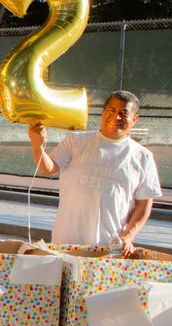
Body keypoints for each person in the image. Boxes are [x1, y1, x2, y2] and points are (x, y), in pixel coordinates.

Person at [28, 90, 161, 253]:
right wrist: (38, 146)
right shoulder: (75, 141)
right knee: (61, 279)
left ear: (134, 119)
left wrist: (128, 236)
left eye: (123, 113)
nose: (116, 117)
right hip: (65, 242)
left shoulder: (143, 157)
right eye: (112, 110)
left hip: (108, 248)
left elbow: (144, 203)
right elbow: (47, 169)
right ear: (103, 112)